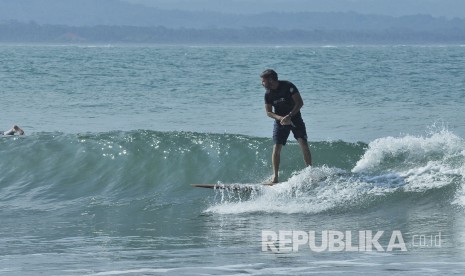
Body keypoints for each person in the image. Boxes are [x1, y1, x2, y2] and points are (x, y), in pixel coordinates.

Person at [261, 69, 312, 184]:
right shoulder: (268, 94)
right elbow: (269, 112)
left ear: (270, 80)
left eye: (263, 81)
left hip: (295, 118)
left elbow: (300, 103)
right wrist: (281, 119)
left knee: (303, 143)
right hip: (280, 121)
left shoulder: (288, 86)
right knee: (276, 147)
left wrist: (289, 116)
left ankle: (309, 173)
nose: (262, 83)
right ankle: (275, 177)